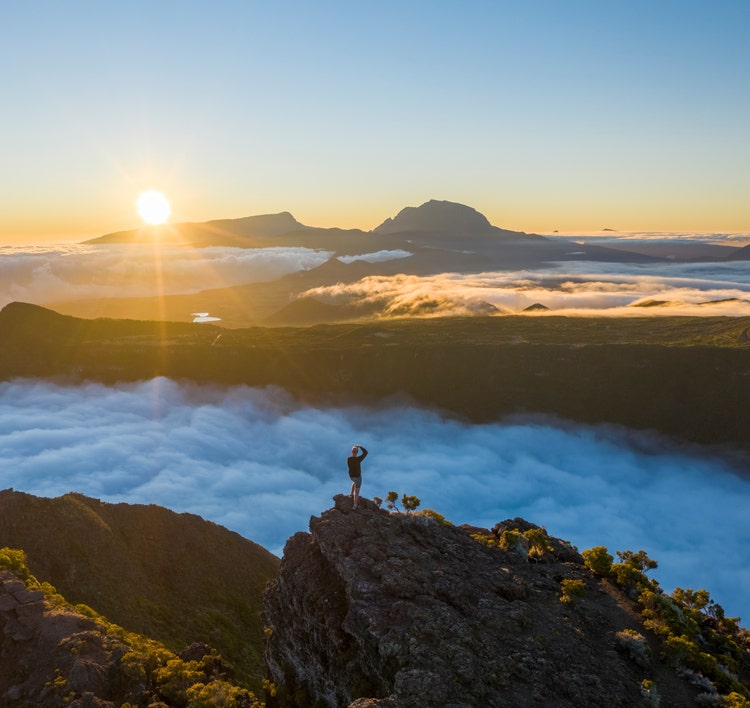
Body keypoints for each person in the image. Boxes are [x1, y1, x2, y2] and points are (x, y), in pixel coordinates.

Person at [347, 444, 368, 509]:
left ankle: (351, 494)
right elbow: (366, 452)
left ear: (352, 451)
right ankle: (355, 505)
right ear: (357, 452)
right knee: (357, 491)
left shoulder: (348, 459)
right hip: (358, 477)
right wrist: (360, 447)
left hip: (351, 476)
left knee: (354, 482)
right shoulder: (358, 459)